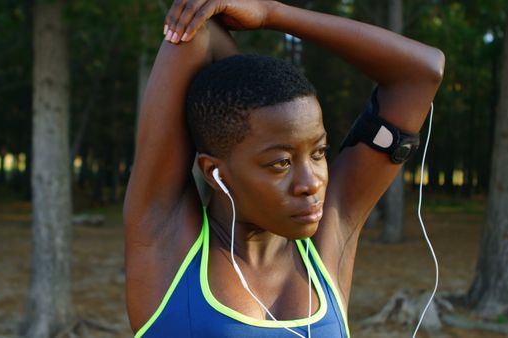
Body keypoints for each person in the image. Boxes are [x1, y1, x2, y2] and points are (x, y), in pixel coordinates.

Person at [123, 1, 444, 337]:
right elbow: (199, 31)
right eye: (280, 163)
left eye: (319, 152)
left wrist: (271, 13)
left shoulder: (327, 239)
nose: (311, 183)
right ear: (214, 172)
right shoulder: (167, 242)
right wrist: (242, 107)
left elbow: (422, 73)